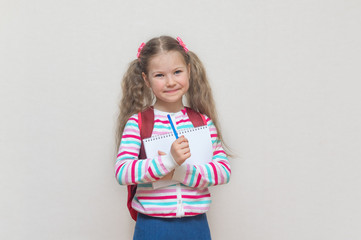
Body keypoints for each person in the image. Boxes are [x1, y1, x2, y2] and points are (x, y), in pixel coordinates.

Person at [115, 35, 231, 240]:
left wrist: (177, 172)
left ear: (188, 70)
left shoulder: (203, 122)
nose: (170, 82)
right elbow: (123, 172)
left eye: (177, 72)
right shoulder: (138, 123)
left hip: (196, 226)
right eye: (159, 75)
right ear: (146, 79)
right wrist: (168, 161)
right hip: (152, 226)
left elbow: (223, 172)